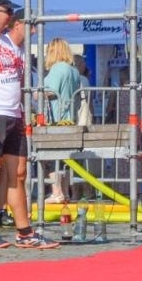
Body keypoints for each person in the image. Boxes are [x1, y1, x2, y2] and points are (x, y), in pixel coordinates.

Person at [0, 0, 57, 250]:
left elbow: (19, 75)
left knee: (18, 172)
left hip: (12, 113)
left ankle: (24, 231)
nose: (9, 16)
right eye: (6, 11)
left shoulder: (9, 44)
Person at [41, 38, 82, 204]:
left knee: (49, 157)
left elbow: (48, 92)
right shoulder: (74, 70)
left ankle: (56, 192)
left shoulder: (57, 69)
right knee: (66, 159)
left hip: (56, 119)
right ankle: (64, 192)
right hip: (70, 118)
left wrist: (36, 93)